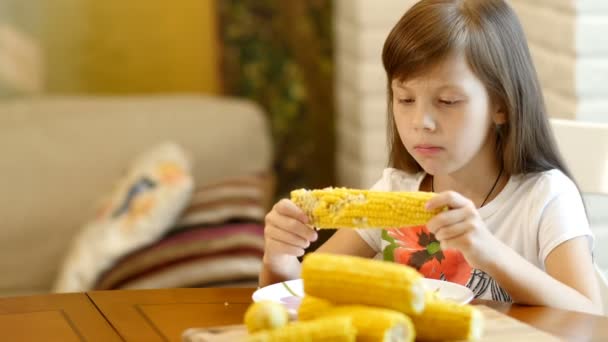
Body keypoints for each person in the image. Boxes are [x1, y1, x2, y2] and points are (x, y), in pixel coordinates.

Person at [260, 0, 602, 314]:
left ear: (501, 106)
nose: (420, 123)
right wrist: (280, 258)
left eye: (448, 101)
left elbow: (590, 315)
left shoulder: (544, 198)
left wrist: (487, 250)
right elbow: (303, 296)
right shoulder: (394, 189)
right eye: (405, 100)